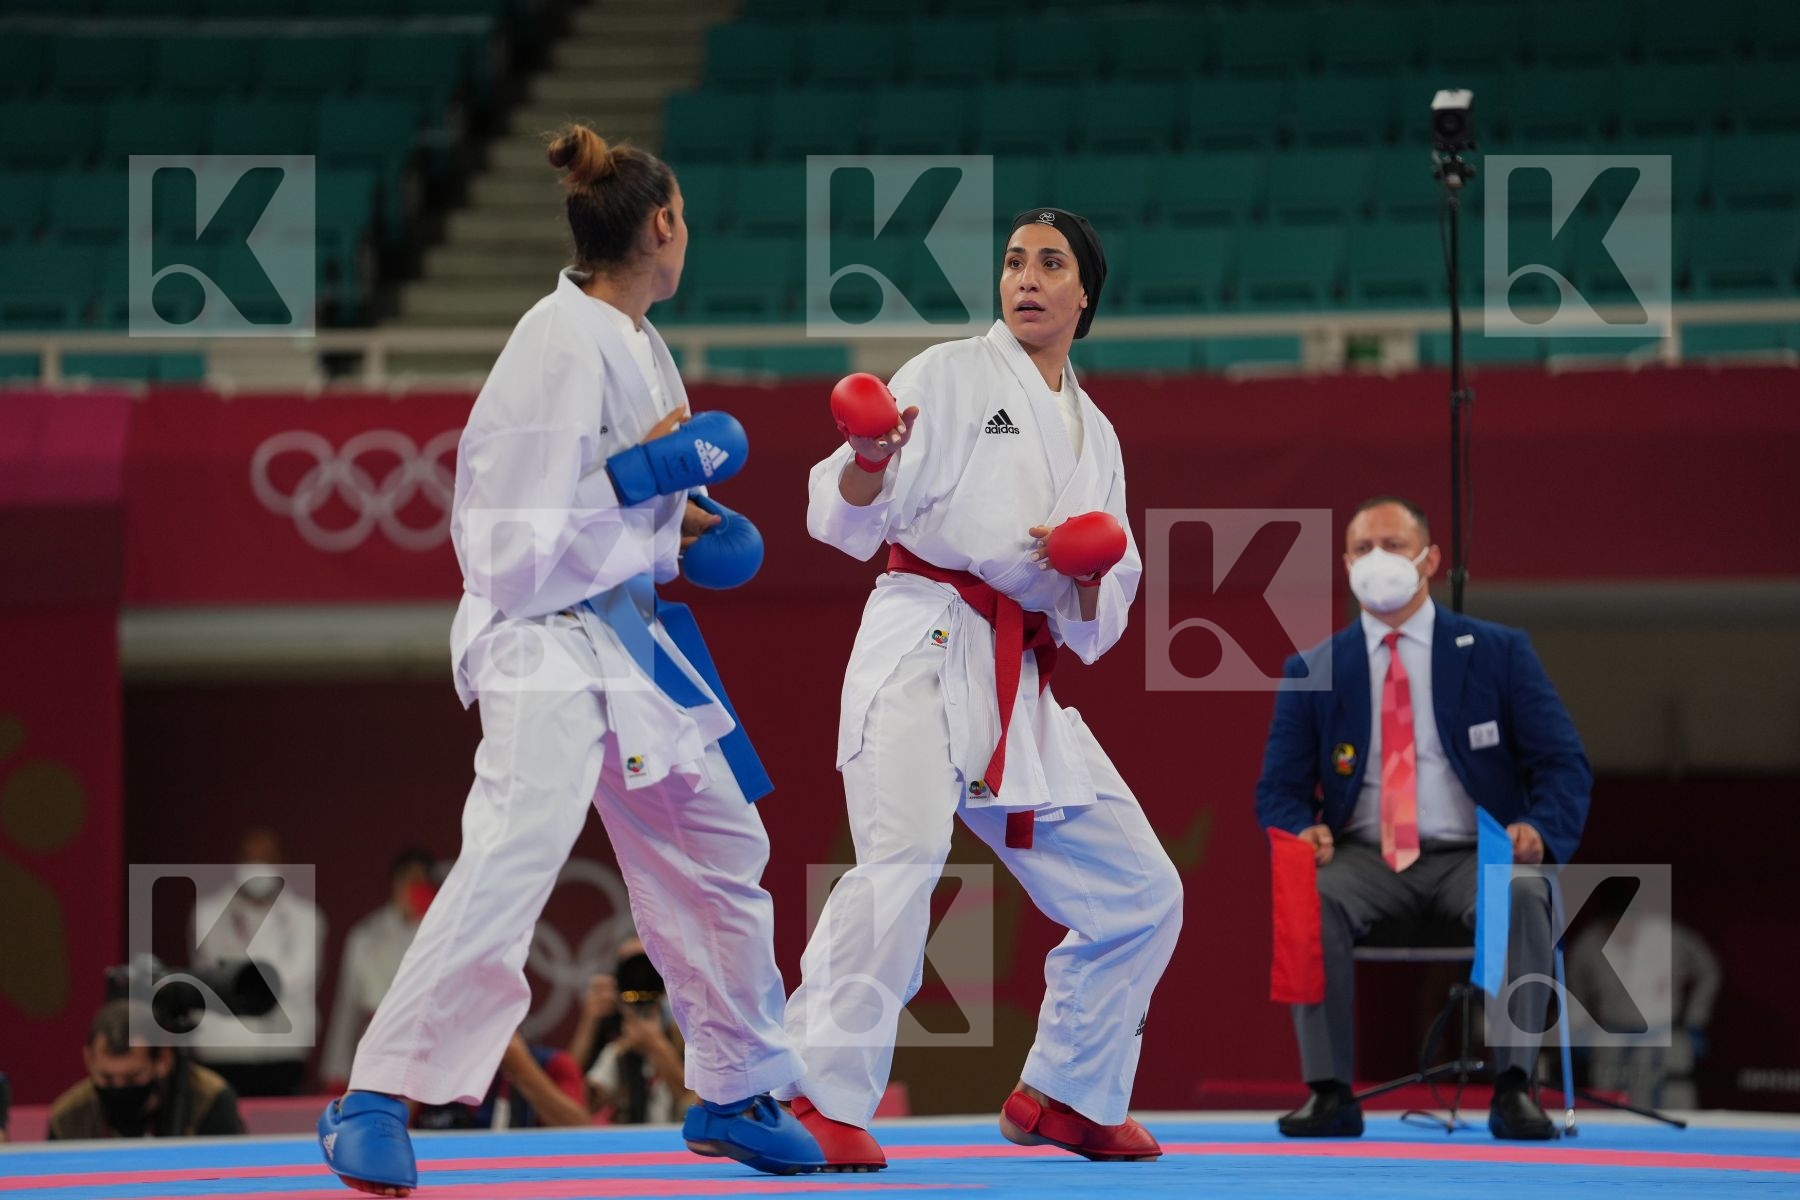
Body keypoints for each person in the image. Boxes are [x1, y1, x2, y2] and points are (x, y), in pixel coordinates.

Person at [317, 125, 822, 1195]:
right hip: (539, 634)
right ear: (663, 226)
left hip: (626, 632)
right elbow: (503, 542)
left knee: (723, 840)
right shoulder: (555, 339)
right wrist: (646, 480)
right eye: (681, 217)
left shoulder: (640, 344)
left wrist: (690, 523)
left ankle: (732, 1088)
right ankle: (376, 1094)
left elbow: (632, 505)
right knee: (520, 840)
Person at [778, 208, 1183, 1170]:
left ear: (1086, 293)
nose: (1026, 278)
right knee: (904, 859)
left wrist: (1088, 575)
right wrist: (870, 461)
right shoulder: (949, 373)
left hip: (1018, 677)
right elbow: (838, 513)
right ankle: (813, 1094)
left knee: (1142, 891)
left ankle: (1069, 1093)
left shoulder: (1100, 433)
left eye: (1050, 264)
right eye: (1012, 262)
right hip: (922, 636)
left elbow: (1107, 607)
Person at [1255, 496, 1592, 1140]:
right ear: (1345, 563)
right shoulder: (1313, 668)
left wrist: (1540, 830)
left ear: (1430, 560)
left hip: (1476, 852)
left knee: (1524, 891)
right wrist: (1303, 827)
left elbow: (1563, 764)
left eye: (1394, 545)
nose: (1377, 559)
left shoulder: (1498, 652)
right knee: (1308, 890)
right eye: (1362, 548)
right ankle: (1328, 1092)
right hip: (1363, 857)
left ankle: (1515, 1089)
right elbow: (1278, 789)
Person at [190, 827, 325, 1098]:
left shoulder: (306, 917)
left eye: (266, 858)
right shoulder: (209, 912)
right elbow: (222, 975)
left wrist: (255, 976)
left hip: (284, 1049)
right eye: (250, 859)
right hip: (223, 1048)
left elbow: (298, 978)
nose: (257, 867)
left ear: (282, 865)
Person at [320, 848, 438, 1092]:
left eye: (420, 883)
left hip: (430, 1055)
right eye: (407, 881)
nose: (412, 890)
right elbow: (347, 1008)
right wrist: (337, 1070)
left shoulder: (442, 934)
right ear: (394, 884)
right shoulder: (365, 936)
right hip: (378, 1052)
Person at [48, 1000, 244, 1139]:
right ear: (88, 1059)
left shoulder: (209, 1101)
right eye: (106, 1078)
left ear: (163, 1060)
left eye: (132, 1078)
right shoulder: (68, 1116)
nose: (119, 1088)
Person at [585, 945, 695, 1123]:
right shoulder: (617, 1050)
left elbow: (698, 1110)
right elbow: (580, 1111)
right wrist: (588, 1023)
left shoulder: (691, 1034)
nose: (641, 979)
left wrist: (657, 1047)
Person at [415, 1029, 590, 1131]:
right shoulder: (430, 1064)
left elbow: (581, 1130)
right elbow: (398, 1131)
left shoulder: (554, 1063)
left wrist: (522, 1069)